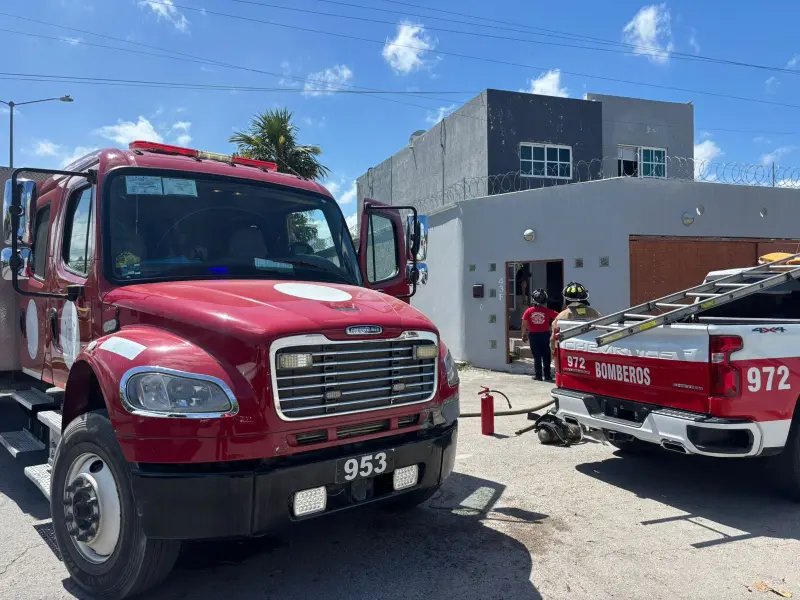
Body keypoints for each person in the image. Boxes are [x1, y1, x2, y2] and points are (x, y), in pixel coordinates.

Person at [550, 281, 602, 355]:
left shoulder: (561, 316)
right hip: (593, 355)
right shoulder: (595, 313)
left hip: (568, 357)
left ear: (566, 299)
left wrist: (554, 353)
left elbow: (553, 340)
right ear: (585, 297)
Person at [522, 289, 558, 381]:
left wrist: (524, 334)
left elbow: (524, 324)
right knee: (546, 356)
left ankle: (538, 375)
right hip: (545, 335)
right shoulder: (547, 311)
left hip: (534, 336)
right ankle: (547, 376)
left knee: (537, 356)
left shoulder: (528, 311)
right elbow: (558, 316)